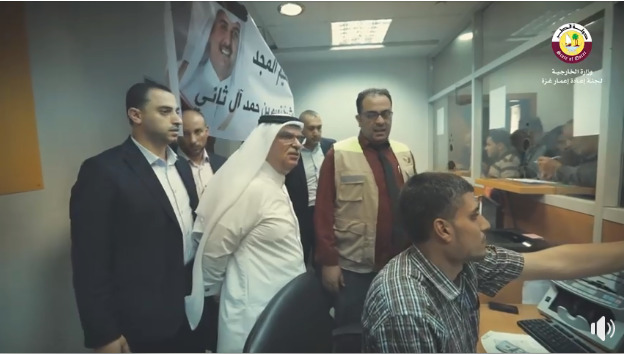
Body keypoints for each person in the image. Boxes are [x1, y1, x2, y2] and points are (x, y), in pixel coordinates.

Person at [362, 172, 624, 352]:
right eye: (475, 216)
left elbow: (556, 261)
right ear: (443, 230)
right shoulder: (408, 311)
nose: (485, 224)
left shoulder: (463, 262)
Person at [70, 82, 204, 353]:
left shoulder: (182, 166)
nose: (177, 119)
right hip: (141, 321)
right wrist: (103, 333)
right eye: (165, 111)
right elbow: (89, 262)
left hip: (189, 309)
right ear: (136, 115)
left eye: (176, 111)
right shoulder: (103, 171)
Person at [185, 115, 307, 353]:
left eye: (298, 138)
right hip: (252, 315)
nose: (297, 144)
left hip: (281, 309)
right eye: (286, 136)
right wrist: (220, 294)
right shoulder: (252, 189)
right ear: (263, 141)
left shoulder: (277, 184)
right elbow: (214, 251)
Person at [314, 88, 418, 333]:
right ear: (359, 119)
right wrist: (329, 262)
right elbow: (323, 212)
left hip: (399, 264)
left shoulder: (404, 154)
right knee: (352, 330)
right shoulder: (338, 154)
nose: (380, 121)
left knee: (396, 327)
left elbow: (415, 206)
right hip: (354, 267)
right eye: (371, 115)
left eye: (385, 114)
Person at [285, 110, 336, 267]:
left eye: (319, 128)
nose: (316, 133)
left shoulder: (331, 147)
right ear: (302, 130)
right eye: (311, 128)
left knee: (325, 257)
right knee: (301, 256)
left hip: (326, 212)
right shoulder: (292, 150)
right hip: (302, 214)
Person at [175, 108, 227, 196]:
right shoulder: (171, 167)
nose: (193, 140)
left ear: (206, 131)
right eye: (186, 134)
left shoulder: (223, 163)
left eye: (198, 132)